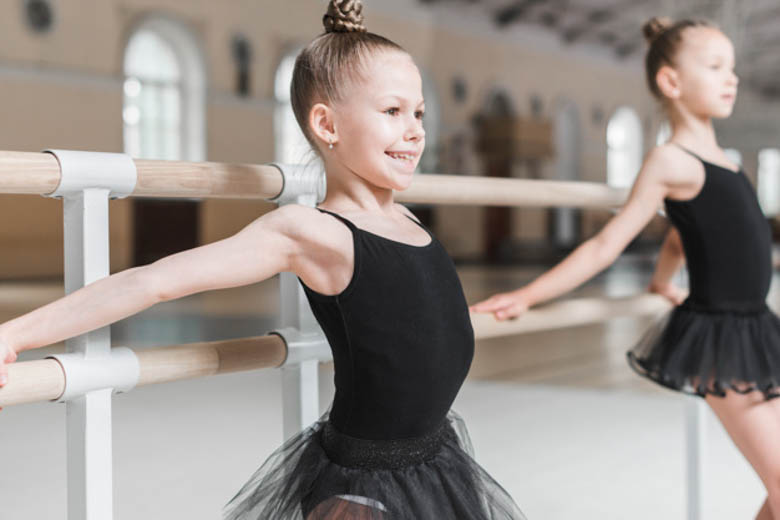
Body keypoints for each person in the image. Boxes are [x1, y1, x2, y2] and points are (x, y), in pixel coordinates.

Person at [0, 1, 525, 518]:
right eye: (392, 111)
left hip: (433, 455)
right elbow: (154, 282)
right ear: (327, 125)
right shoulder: (311, 232)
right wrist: (16, 335)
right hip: (368, 481)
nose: (414, 130)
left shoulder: (406, 218)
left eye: (418, 113)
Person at [472, 16, 780, 520]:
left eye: (734, 68)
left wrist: (662, 280)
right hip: (721, 338)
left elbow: (687, 235)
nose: (733, 78)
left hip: (758, 328)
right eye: (717, 66)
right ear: (671, 82)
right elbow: (605, 246)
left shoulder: (725, 160)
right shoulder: (670, 160)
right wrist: (527, 296)